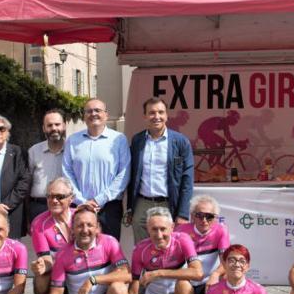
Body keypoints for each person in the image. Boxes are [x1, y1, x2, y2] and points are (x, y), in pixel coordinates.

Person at [126, 97, 194, 242]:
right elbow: (132, 175)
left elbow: (187, 180)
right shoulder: (137, 140)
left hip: (169, 204)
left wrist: (182, 213)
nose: (157, 117)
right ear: (144, 116)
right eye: (152, 113)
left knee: (168, 248)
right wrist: (130, 208)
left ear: (167, 115)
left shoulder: (180, 141)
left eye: (161, 112)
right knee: (142, 248)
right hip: (142, 204)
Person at [61, 98, 130, 240]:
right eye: (89, 111)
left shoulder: (119, 139)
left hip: (109, 207)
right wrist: (81, 201)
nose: (93, 114)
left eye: (97, 110)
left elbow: (124, 173)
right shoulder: (73, 140)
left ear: (106, 115)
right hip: (79, 206)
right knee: (80, 249)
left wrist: (99, 200)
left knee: (110, 252)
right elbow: (67, 172)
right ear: (84, 116)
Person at [29, 177, 75, 294]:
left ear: (72, 198)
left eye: (59, 196)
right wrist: (42, 265)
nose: (54, 200)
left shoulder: (82, 217)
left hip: (83, 275)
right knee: (41, 278)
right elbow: (45, 257)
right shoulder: (39, 223)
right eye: (49, 196)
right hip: (58, 275)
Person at [27, 109, 67, 221]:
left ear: (64, 126)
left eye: (57, 124)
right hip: (39, 207)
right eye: (49, 125)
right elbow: (27, 183)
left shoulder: (72, 150)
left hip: (65, 206)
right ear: (44, 128)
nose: (54, 128)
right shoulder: (34, 151)